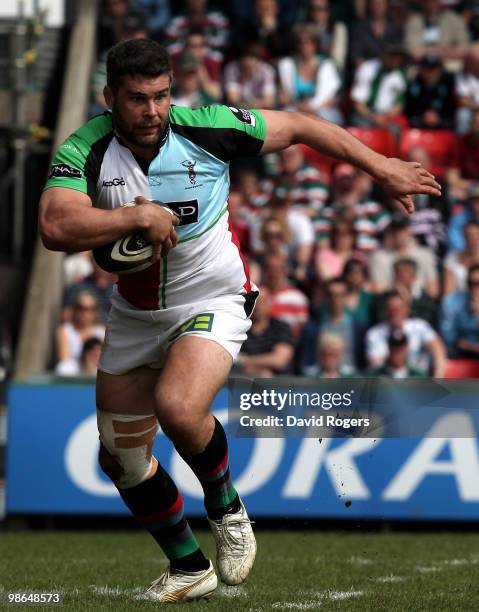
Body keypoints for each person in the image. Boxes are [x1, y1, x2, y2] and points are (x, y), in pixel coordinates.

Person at [38, 38, 440, 602]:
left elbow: (300, 125)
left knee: (179, 408)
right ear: (109, 97)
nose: (152, 110)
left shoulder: (208, 127)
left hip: (214, 297)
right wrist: (135, 216)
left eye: (161, 96)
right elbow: (55, 225)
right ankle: (187, 566)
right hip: (134, 313)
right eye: (136, 99)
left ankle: (225, 506)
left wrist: (380, 167)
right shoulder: (86, 148)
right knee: (122, 459)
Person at [366, 290, 446, 375]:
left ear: (407, 309)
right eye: (391, 308)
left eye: (398, 308)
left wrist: (438, 375)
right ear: (385, 311)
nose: (395, 312)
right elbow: (377, 365)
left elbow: (437, 348)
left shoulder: (420, 326)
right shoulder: (375, 334)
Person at [235, 286, 294, 377]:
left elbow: (279, 360)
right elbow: (235, 362)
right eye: (255, 302)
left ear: (269, 304)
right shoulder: (239, 329)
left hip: (282, 386)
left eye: (262, 301)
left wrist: (246, 361)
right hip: (246, 383)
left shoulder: (281, 328)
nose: (258, 306)